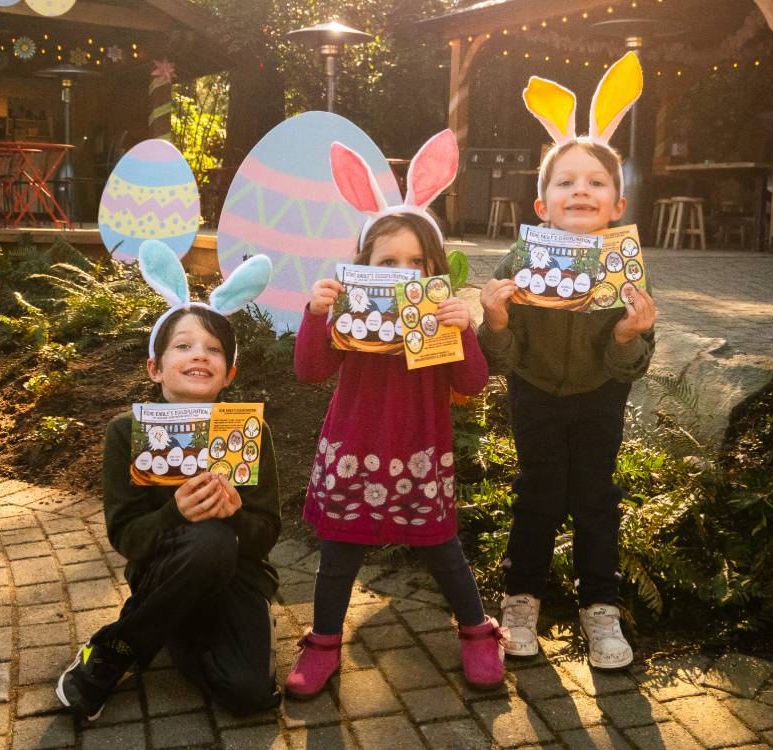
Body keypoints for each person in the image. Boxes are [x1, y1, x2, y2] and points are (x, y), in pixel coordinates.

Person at [285, 130, 505, 698]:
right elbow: (310, 370)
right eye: (388, 262)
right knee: (338, 554)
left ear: (434, 268)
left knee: (443, 550)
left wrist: (466, 332)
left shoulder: (441, 319)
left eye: (416, 261)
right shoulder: (348, 316)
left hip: (418, 458)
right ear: (364, 267)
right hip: (355, 452)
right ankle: (324, 642)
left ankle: (477, 631)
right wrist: (316, 313)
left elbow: (473, 384)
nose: (403, 273)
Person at [478, 52, 657, 670]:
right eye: (565, 182)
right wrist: (496, 320)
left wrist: (632, 334)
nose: (581, 189)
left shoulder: (626, 268)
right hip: (534, 394)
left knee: (596, 498)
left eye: (596, 183)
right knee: (537, 494)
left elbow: (630, 363)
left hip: (600, 395)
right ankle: (521, 598)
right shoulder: (514, 264)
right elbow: (499, 360)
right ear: (542, 205)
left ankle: (599, 607)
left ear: (616, 204)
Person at [56, 242, 282, 720]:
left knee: (250, 696)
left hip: (239, 573)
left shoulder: (247, 431)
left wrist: (236, 514)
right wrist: (175, 512)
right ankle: (111, 654)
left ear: (228, 373)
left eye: (214, 349)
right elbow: (127, 537)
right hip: (164, 568)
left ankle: (171, 632)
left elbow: (267, 531)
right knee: (207, 541)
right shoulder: (127, 432)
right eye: (183, 346)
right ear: (155, 368)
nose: (199, 355)